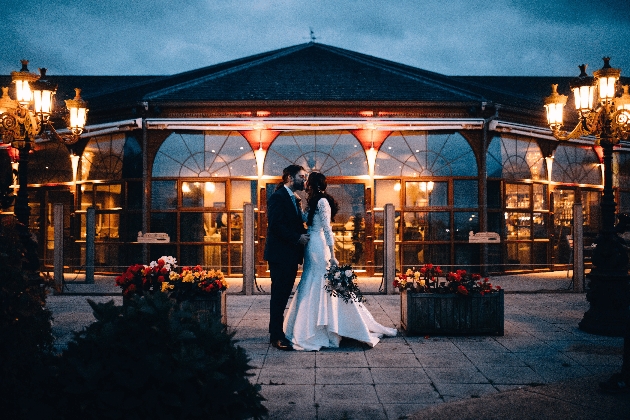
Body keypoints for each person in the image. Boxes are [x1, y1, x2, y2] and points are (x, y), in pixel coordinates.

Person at [283, 172, 397, 351]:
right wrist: (299, 207)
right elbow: (306, 220)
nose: (305, 184)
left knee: (322, 281)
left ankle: (330, 327)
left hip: (320, 246)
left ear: (313, 185)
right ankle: (316, 325)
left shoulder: (322, 202)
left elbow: (327, 229)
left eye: (308, 182)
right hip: (311, 245)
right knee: (312, 279)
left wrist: (333, 254)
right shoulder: (313, 202)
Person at [264, 164, 310, 351]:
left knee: (282, 295)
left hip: (289, 256)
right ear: (289, 178)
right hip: (280, 255)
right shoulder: (278, 197)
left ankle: (275, 330)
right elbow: (275, 225)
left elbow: (293, 223)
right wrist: (297, 238)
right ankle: (276, 336)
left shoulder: (293, 198)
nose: (304, 180)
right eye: (301, 176)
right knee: (279, 296)